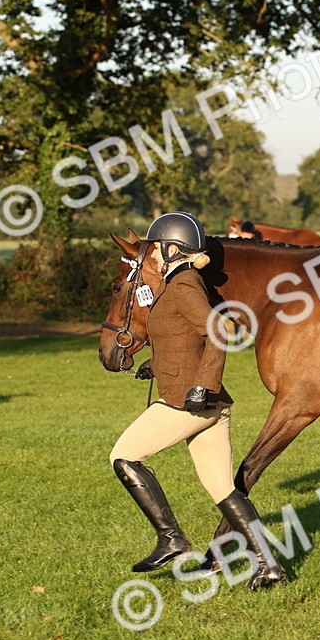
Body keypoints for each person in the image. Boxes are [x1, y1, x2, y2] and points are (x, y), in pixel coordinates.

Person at [108, 211, 288, 590]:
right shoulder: (177, 284)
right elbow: (184, 337)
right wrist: (155, 366)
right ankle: (269, 566)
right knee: (223, 488)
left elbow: (218, 331)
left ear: (173, 249)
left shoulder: (183, 285)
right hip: (209, 405)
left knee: (123, 456)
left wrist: (202, 386)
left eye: (156, 249)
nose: (152, 255)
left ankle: (171, 539)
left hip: (188, 402)